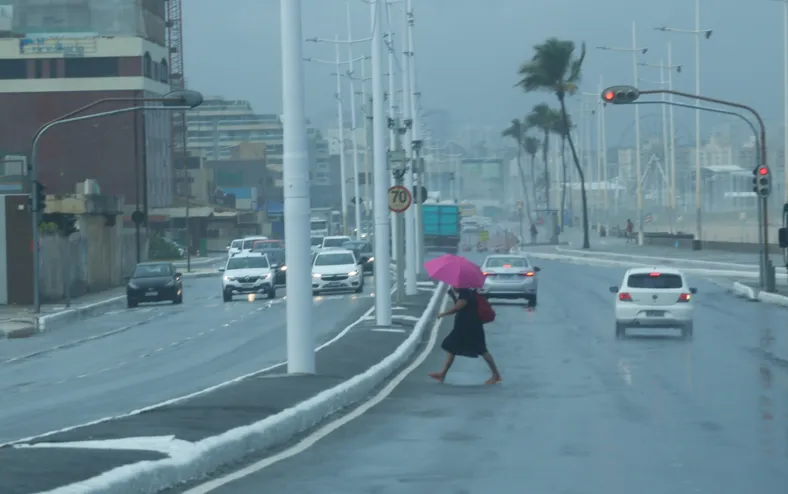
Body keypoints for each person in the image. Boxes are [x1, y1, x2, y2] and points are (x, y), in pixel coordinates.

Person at [429, 287, 502, 385]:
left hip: (470, 327)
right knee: (451, 347)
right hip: (464, 326)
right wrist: (452, 295)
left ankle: (496, 375)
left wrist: (443, 313)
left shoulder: (465, 293)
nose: (453, 286)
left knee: (482, 350)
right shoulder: (467, 292)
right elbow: (461, 306)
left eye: (454, 284)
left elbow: (458, 307)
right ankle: (442, 374)